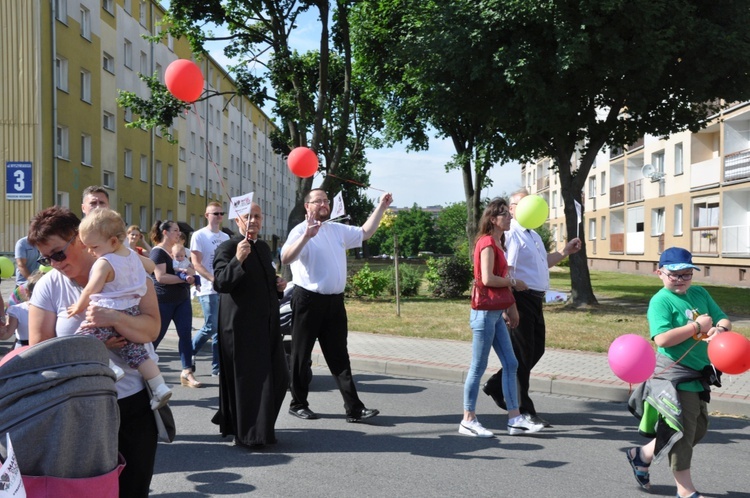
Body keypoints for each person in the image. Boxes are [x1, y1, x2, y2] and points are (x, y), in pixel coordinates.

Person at [27, 206, 160, 497]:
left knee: (133, 489)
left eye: (58, 253)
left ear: (81, 238)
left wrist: (114, 319)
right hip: (77, 407)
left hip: (131, 401)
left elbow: (151, 330)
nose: (54, 263)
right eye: (45, 258)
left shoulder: (128, 270)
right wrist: (92, 351)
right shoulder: (49, 286)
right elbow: (38, 352)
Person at [624, 247, 730, 498]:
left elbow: (722, 318)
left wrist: (720, 330)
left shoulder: (700, 293)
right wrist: (695, 326)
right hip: (674, 375)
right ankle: (685, 490)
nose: (681, 280)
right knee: (682, 433)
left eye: (686, 274)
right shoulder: (661, 300)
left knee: (700, 427)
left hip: (699, 374)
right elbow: (661, 339)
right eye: (674, 275)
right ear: (659, 272)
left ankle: (642, 454)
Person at [281, 188, 392, 422]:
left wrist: (381, 206)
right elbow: (286, 258)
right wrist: (306, 237)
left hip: (334, 303)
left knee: (340, 357)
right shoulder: (300, 230)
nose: (324, 204)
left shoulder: (336, 229)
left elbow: (365, 232)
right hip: (308, 301)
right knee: (301, 357)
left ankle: (354, 408)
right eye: (318, 201)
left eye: (326, 200)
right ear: (307, 206)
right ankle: (298, 403)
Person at [482, 188, 581, 426]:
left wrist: (564, 252)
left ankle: (496, 385)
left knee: (536, 350)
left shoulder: (533, 235)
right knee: (522, 356)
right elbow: (508, 272)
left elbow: (543, 262)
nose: (530, 206)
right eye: (523, 202)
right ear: (513, 209)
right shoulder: (513, 234)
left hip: (536, 300)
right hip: (520, 298)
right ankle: (524, 411)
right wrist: (509, 305)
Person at [66, 208, 172, 410]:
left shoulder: (104, 263)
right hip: (131, 311)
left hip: (105, 311)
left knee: (83, 341)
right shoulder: (132, 256)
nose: (90, 251)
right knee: (138, 353)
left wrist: (78, 306)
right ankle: (159, 386)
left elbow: (90, 289)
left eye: (93, 247)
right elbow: (151, 266)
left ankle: (111, 367)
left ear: (114, 242)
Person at [460, 198, 545, 438]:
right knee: (478, 367)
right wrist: (514, 283)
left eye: (510, 214)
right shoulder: (487, 242)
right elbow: (488, 279)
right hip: (484, 314)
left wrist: (510, 307)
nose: (510, 217)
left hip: (496, 313)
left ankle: (515, 418)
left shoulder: (499, 241)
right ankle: (468, 419)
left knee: (511, 363)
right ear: (493, 219)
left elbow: (499, 280)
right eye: (506, 214)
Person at [212, 203, 289, 447]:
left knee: (279, 377)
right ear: (238, 221)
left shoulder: (264, 248)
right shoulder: (228, 247)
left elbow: (263, 279)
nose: (253, 221)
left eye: (257, 216)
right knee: (249, 380)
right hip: (240, 325)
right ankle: (250, 435)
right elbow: (221, 283)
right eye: (248, 217)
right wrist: (238, 259)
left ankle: (259, 428)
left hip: (266, 323)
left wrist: (277, 285)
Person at [149, 220, 201, 387]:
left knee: (185, 335)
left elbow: (191, 269)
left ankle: (187, 372)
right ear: (165, 232)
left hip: (182, 299)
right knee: (156, 337)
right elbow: (161, 277)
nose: (179, 233)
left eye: (179, 231)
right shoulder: (158, 252)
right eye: (175, 230)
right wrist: (183, 279)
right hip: (163, 301)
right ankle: (143, 371)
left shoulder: (180, 251)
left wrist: (190, 275)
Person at [189, 202, 229, 376]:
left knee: (221, 329)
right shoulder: (199, 236)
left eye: (221, 213)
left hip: (223, 289)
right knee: (211, 326)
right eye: (215, 213)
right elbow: (196, 263)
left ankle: (217, 367)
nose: (219, 216)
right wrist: (213, 279)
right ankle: (188, 352)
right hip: (207, 288)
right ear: (206, 215)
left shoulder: (226, 237)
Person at [1, 271, 43, 348]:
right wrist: (2, 331)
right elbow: (7, 335)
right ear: (27, 292)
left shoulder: (54, 308)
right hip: (23, 349)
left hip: (47, 348)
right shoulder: (18, 310)